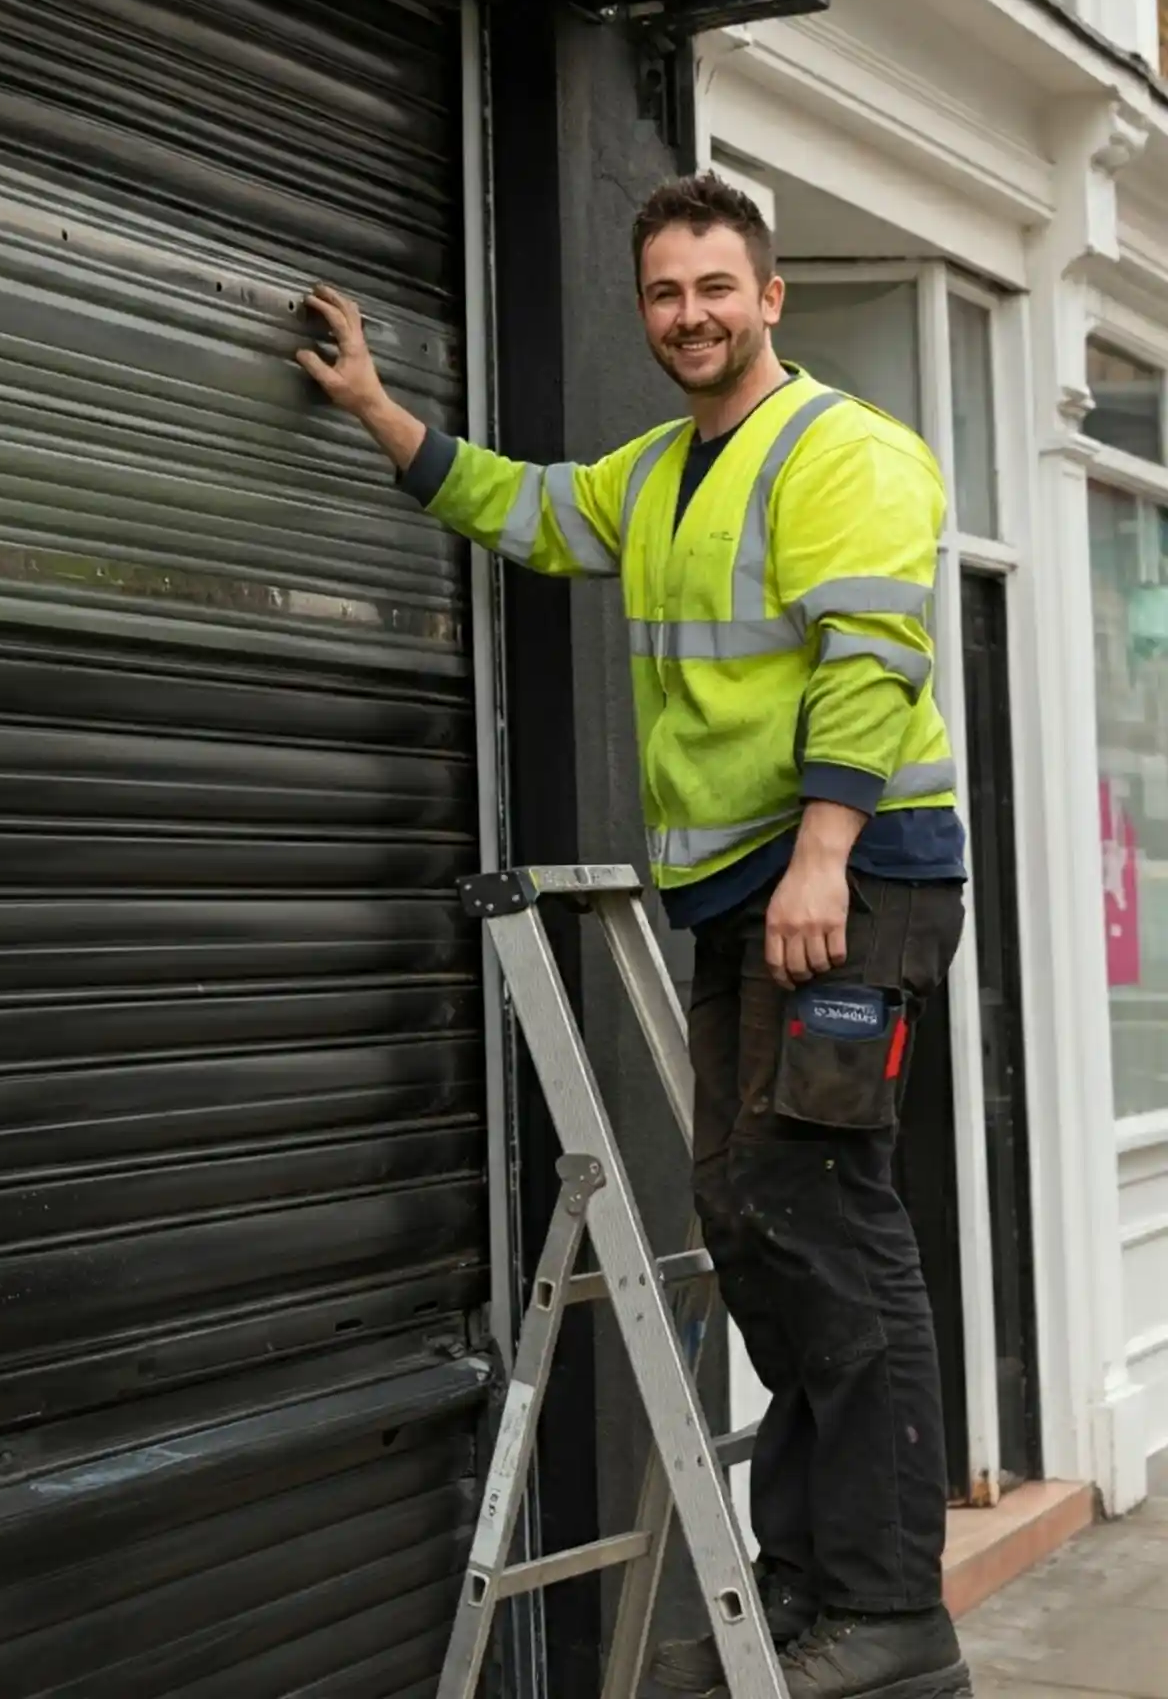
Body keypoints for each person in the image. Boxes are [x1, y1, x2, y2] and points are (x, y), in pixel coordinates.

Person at [298, 173, 973, 1699]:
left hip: (849, 882)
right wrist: (380, 413)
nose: (689, 315)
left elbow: (872, 660)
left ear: (771, 296)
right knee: (749, 1214)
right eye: (665, 292)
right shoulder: (660, 474)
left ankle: (894, 1614)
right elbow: (529, 512)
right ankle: (816, 1587)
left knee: (824, 1210)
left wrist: (824, 855)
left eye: (715, 287)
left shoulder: (844, 451)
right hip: (745, 892)